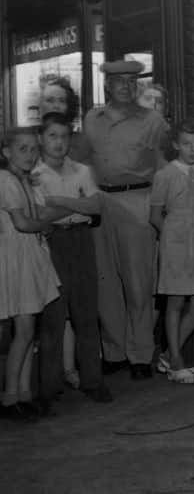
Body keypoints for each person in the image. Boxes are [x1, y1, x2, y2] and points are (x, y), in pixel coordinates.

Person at [82, 60, 170, 380]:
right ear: (107, 85)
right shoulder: (92, 119)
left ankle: (140, 354)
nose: (126, 87)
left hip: (137, 200)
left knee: (138, 283)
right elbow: (84, 161)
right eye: (119, 81)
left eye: (132, 81)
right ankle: (114, 351)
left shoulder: (152, 121)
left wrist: (161, 208)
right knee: (105, 283)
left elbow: (164, 166)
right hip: (100, 202)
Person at [35, 113, 113, 405]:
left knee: (86, 314)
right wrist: (79, 205)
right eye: (52, 136)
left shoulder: (82, 171)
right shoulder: (34, 174)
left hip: (81, 241)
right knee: (53, 318)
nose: (59, 142)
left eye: (65, 136)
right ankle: (49, 388)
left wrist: (60, 202)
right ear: (41, 138)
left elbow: (96, 207)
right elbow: (41, 215)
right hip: (52, 243)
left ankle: (93, 381)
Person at [0, 127, 61, 421]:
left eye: (34, 149)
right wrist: (45, 226)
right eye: (22, 149)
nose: (30, 154)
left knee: (29, 330)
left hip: (28, 256)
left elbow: (34, 216)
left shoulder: (23, 180)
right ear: (6, 152)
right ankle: (9, 397)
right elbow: (23, 223)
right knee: (23, 331)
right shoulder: (5, 180)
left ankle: (24, 394)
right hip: (15, 259)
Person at [150, 120, 194, 383]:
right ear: (176, 145)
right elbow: (155, 215)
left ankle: (167, 355)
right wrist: (173, 238)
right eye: (187, 144)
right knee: (175, 302)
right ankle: (176, 360)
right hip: (175, 242)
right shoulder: (164, 175)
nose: (193, 149)